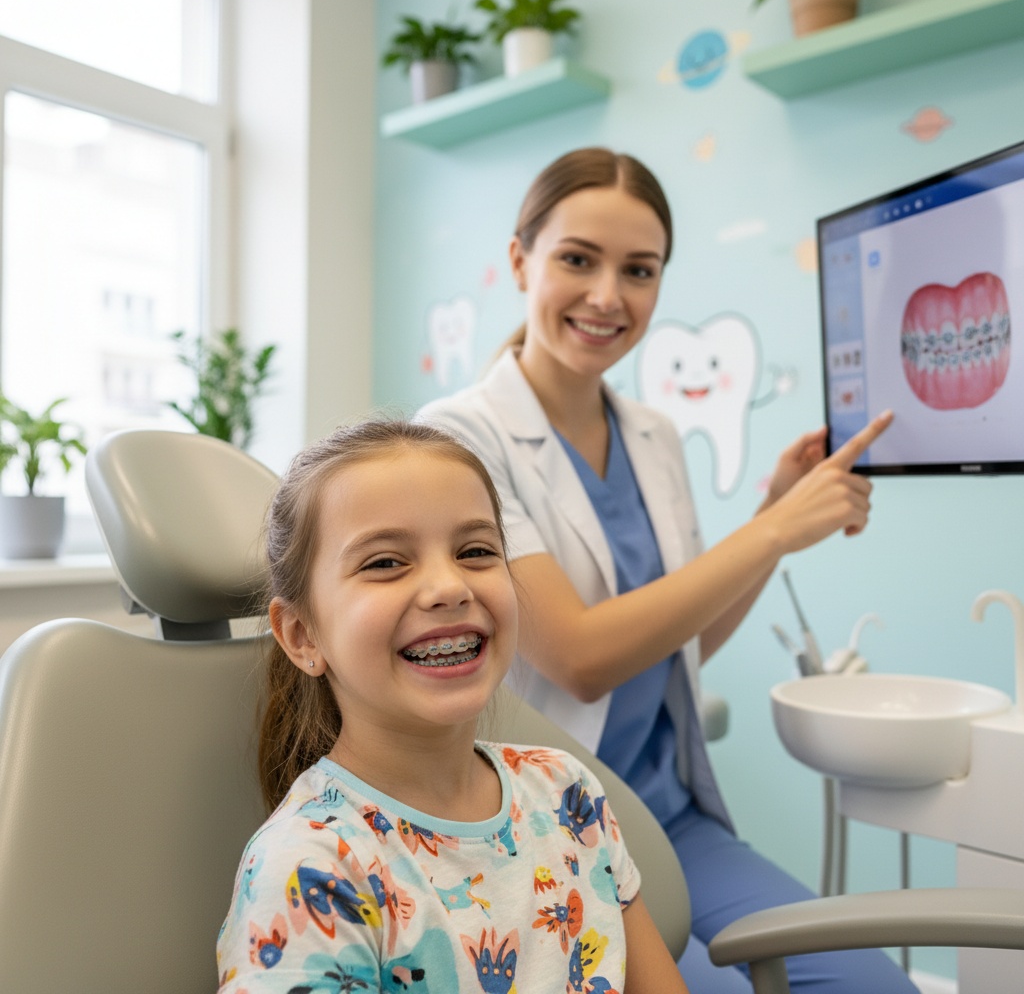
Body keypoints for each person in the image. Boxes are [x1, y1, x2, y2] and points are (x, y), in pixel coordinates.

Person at [418, 148, 917, 993]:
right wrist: (771, 535)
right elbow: (578, 656)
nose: (608, 294)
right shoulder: (459, 436)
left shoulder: (655, 437)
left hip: (668, 817)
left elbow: (679, 643)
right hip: (547, 833)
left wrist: (774, 521)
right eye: (578, 259)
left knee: (877, 986)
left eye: (638, 271)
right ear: (519, 261)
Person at [216, 418, 689, 993]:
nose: (450, 585)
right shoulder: (313, 869)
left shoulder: (566, 792)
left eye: (475, 551)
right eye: (385, 562)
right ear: (301, 635)